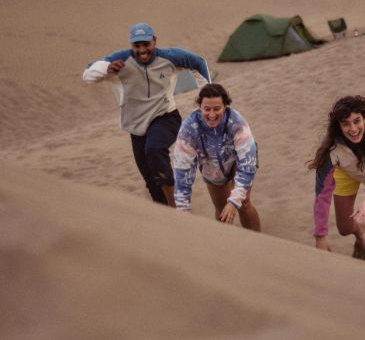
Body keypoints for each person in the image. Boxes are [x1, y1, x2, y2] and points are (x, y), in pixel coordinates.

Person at [82, 22, 211, 206]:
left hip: (165, 117)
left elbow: (198, 62)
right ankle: (164, 214)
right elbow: (87, 74)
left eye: (146, 44)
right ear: (131, 45)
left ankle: (179, 206)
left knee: (154, 148)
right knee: (150, 178)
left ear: (154, 41)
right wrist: (106, 69)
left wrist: (208, 94)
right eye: (137, 45)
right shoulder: (120, 60)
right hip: (136, 127)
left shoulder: (170, 57)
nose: (142, 49)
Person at [308, 96, 365, 266]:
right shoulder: (331, 147)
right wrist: (320, 235)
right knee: (344, 229)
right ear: (339, 126)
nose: (353, 128)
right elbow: (322, 194)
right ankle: (359, 234)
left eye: (357, 121)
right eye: (346, 124)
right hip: (346, 173)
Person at [172, 83, 261, 231]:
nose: (212, 115)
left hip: (239, 161)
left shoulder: (238, 123)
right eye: (207, 109)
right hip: (210, 164)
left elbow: (247, 166)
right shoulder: (189, 128)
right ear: (199, 106)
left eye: (217, 109)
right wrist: (183, 208)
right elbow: (183, 169)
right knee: (221, 210)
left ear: (225, 106)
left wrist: (234, 201)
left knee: (243, 202)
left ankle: (259, 241)